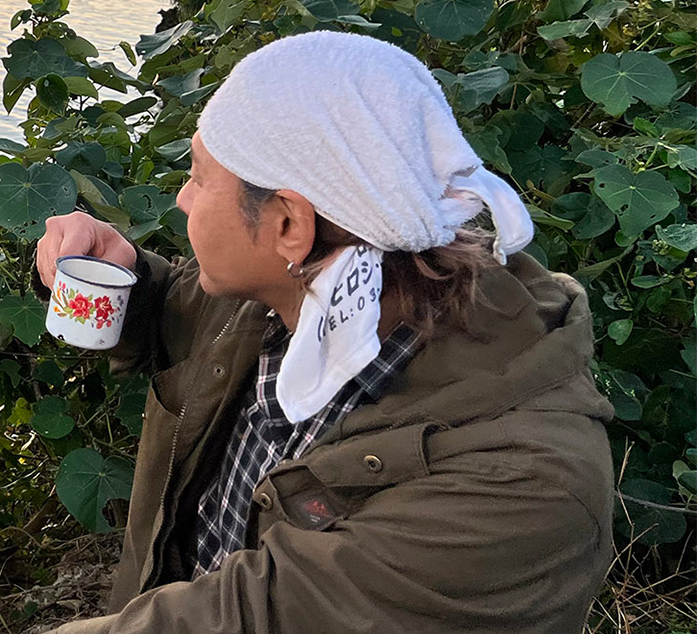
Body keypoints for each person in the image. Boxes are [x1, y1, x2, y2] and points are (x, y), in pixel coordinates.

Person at [36, 31, 614, 633]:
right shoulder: (301, 291)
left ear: (289, 224)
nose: (182, 199)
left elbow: (250, 619)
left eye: (201, 178)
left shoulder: (520, 490)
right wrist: (122, 275)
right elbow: (177, 317)